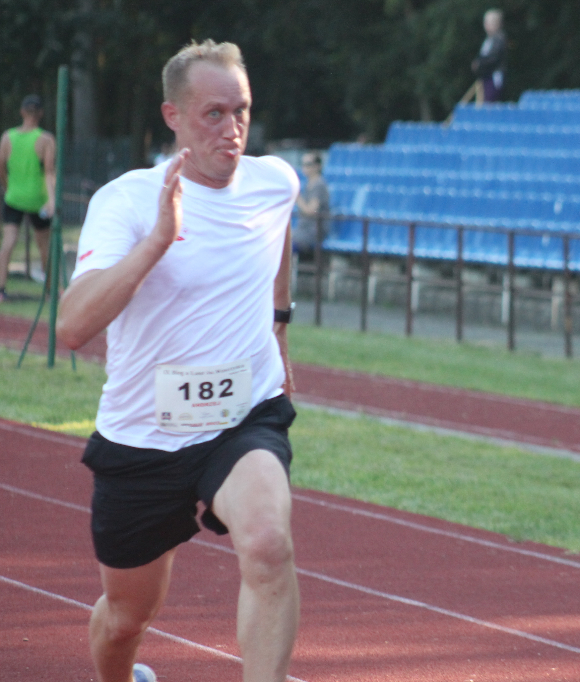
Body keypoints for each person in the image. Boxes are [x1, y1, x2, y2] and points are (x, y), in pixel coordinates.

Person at [56, 40, 300, 682]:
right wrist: (158, 242)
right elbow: (73, 326)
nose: (233, 127)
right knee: (126, 618)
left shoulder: (275, 183)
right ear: (173, 116)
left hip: (242, 418)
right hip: (142, 437)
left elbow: (279, 239)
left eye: (241, 110)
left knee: (269, 546)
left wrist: (279, 327)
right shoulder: (127, 201)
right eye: (213, 113)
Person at [0, 94, 56, 302]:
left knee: (8, 242)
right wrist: (51, 201)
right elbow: (50, 172)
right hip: (37, 199)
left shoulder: (7, 137)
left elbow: (1, 168)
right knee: (44, 246)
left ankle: (1, 289)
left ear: (22, 112)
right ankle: (50, 291)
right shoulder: (46, 139)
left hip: (13, 197)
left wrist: (8, 188)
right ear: (40, 114)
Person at [293, 151, 329, 255]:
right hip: (303, 230)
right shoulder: (308, 184)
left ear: (317, 166)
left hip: (313, 231)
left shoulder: (319, 184)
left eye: (308, 164)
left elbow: (311, 210)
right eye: (303, 164)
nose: (304, 167)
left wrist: (297, 197)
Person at [471, 9, 507, 103]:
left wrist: (480, 64)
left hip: (494, 76)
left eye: (490, 23)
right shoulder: (488, 40)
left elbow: (493, 58)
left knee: (490, 102)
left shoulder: (499, 39)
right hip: (486, 76)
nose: (486, 25)